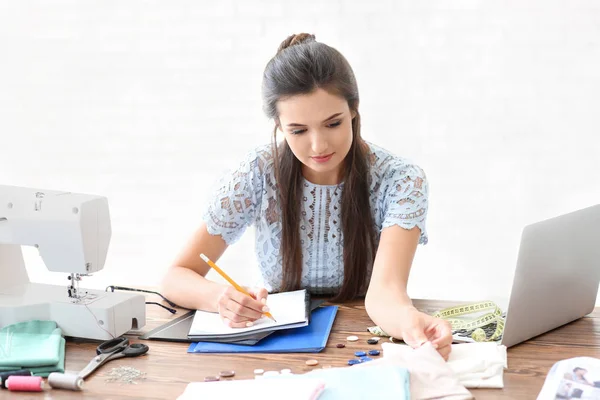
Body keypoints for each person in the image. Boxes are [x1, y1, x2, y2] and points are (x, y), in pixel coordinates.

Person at [161, 33, 453, 360]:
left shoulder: (399, 180)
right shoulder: (256, 173)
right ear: (279, 125)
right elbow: (176, 276)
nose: (318, 146)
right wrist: (220, 298)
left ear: (354, 111)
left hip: (357, 343)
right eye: (298, 130)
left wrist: (411, 322)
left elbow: (386, 293)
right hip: (274, 346)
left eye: (333, 123)